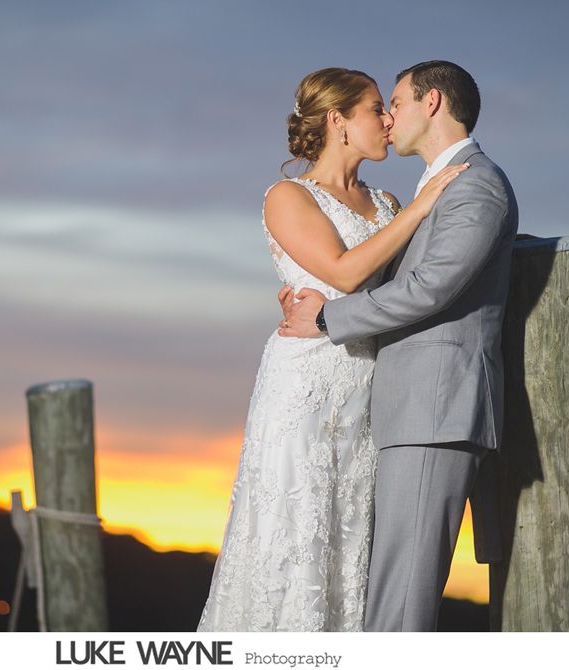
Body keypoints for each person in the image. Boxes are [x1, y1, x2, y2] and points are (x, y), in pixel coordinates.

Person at [196, 67, 467, 632]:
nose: (388, 121)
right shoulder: (288, 197)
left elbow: (411, 283)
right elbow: (345, 276)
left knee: (348, 536)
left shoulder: (386, 199)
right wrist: (421, 209)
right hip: (306, 386)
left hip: (369, 385)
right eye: (375, 108)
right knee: (297, 526)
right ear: (338, 121)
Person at [278, 60, 519, 631]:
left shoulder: (475, 184)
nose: (389, 116)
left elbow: (430, 288)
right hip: (405, 411)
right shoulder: (439, 186)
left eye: (397, 100)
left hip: (435, 410)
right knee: (386, 595)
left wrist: (328, 319)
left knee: (401, 605)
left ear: (431, 102)